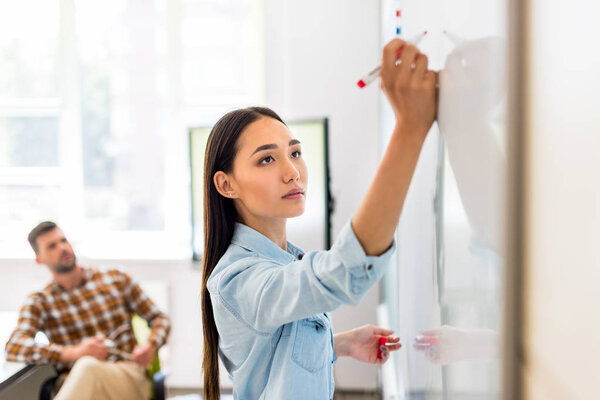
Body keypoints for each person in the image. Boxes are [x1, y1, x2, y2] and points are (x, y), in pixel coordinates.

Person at [201, 38, 437, 400]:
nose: (293, 171)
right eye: (267, 159)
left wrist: (337, 344)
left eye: (295, 152)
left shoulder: (282, 260)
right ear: (226, 184)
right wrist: (410, 129)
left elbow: (272, 356)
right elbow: (344, 271)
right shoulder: (236, 279)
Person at [4, 221, 171, 400]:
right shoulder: (40, 300)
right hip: (77, 383)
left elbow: (160, 318)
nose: (62, 248)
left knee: (88, 366)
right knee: (86, 367)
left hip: (126, 375)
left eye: (63, 240)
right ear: (39, 258)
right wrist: (74, 352)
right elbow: (14, 347)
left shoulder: (116, 278)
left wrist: (150, 345)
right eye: (52, 246)